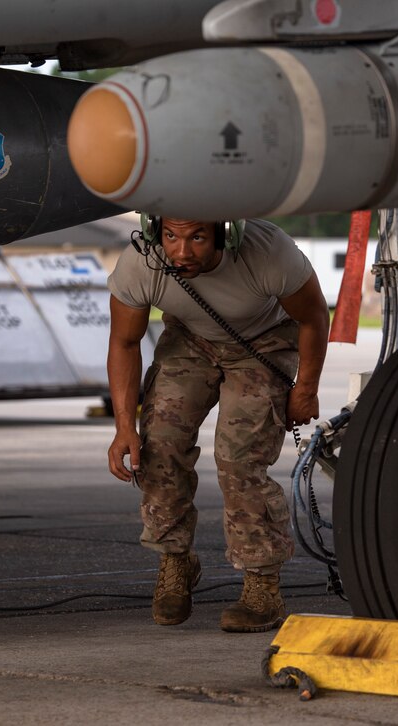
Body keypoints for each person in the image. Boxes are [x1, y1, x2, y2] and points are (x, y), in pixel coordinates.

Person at [105, 216, 329, 632]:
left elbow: (314, 316)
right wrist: (124, 428)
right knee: (159, 444)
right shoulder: (142, 262)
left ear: (226, 234)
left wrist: (305, 388)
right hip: (190, 341)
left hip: (263, 341)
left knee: (239, 457)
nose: (181, 252)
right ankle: (175, 562)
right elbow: (124, 342)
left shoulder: (269, 253)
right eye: (170, 236)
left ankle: (262, 583)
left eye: (196, 238)